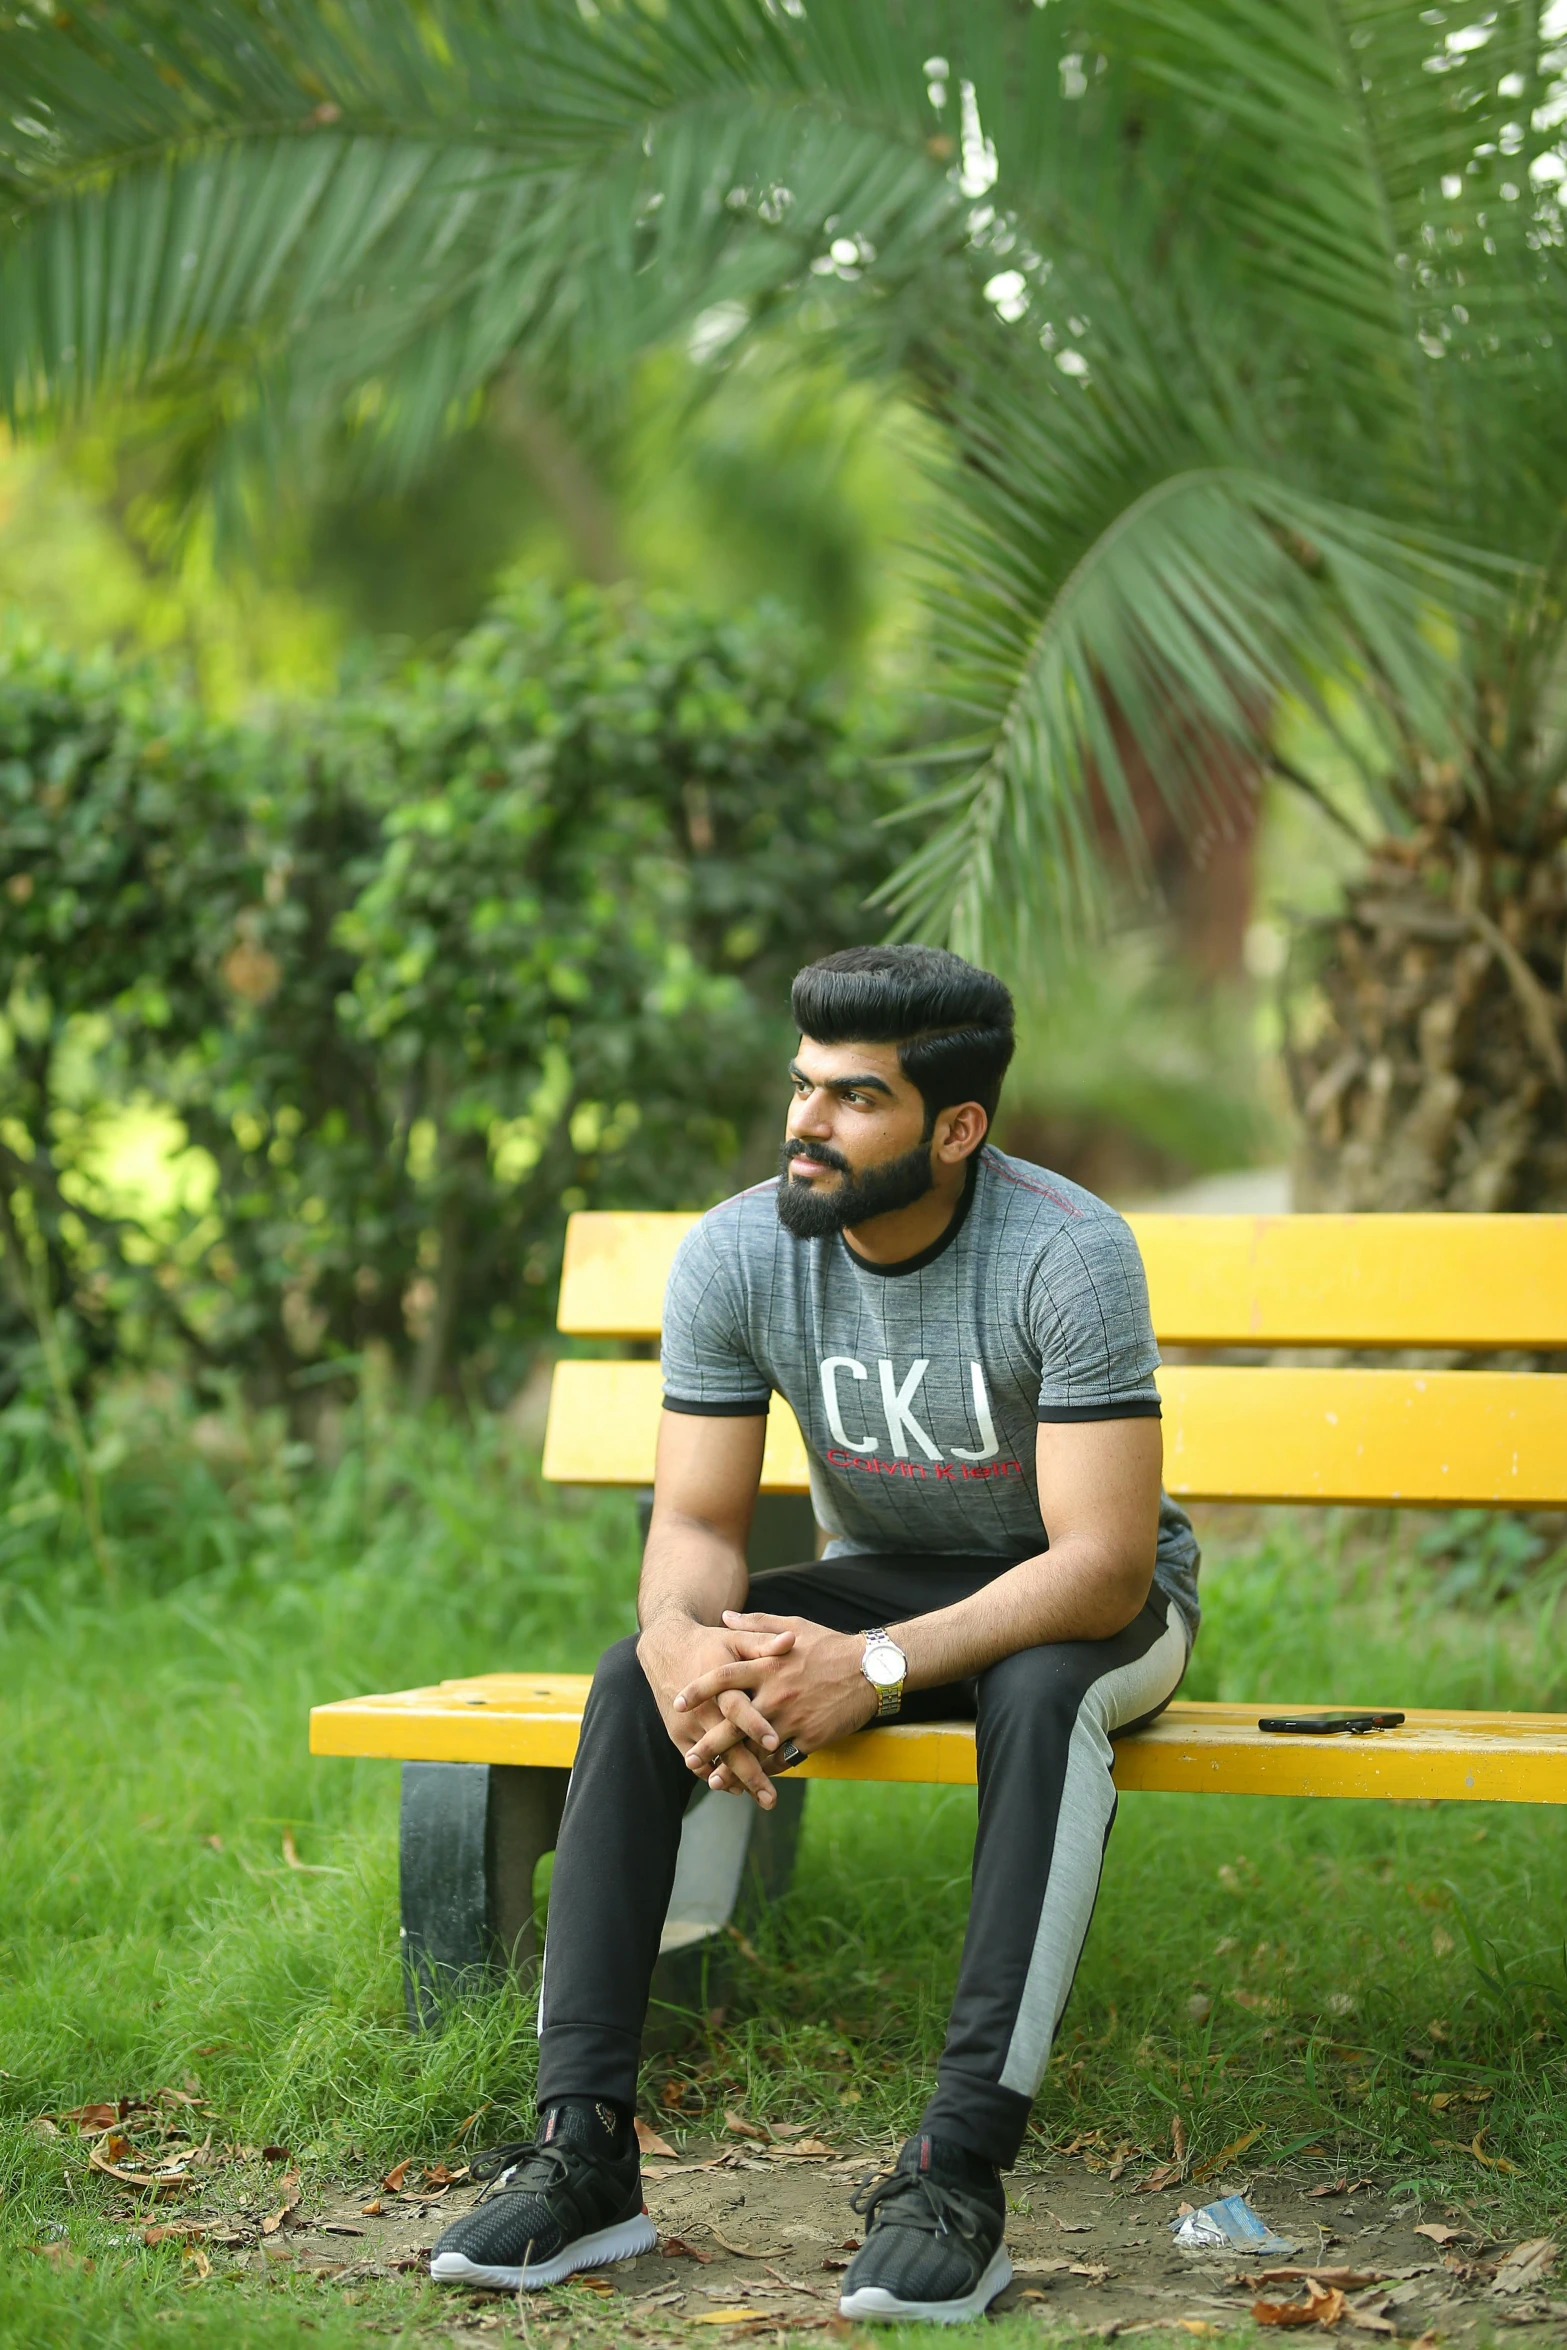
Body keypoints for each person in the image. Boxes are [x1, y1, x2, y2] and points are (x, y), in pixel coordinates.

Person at [432, 944, 1200, 2323]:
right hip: (882, 1574)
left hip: (1084, 1602)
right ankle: (582, 2148)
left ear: (955, 1127)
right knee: (631, 1675)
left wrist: (879, 1665)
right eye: (802, 1087)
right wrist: (676, 1636)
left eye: (855, 1097)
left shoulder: (1067, 1251)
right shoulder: (737, 1250)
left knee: (1036, 1697)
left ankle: (954, 2171)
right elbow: (699, 1522)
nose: (806, 1122)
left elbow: (1099, 1564)